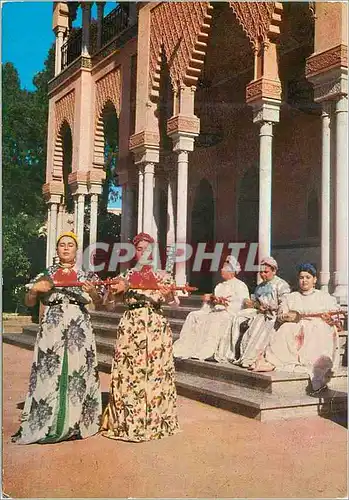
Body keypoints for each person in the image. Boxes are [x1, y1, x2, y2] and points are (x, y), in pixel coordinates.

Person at [12, 232, 103, 444]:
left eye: (70, 245)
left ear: (76, 250)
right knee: (49, 370)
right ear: (57, 250)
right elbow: (29, 302)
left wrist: (94, 293)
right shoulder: (46, 275)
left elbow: (101, 303)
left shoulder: (86, 276)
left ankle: (76, 421)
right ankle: (49, 422)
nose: (66, 248)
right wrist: (35, 291)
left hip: (78, 328)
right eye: (62, 245)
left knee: (77, 369)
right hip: (52, 326)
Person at [101, 232, 180, 442]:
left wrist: (168, 294)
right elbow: (109, 306)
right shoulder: (124, 277)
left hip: (155, 326)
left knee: (155, 373)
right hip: (132, 327)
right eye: (139, 248)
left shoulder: (163, 275)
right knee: (131, 373)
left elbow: (174, 303)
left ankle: (155, 422)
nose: (143, 252)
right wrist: (111, 292)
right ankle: (129, 422)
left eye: (147, 248)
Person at [253, 263, 341, 395]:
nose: (304, 280)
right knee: (286, 329)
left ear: (315, 280)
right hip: (296, 324)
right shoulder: (291, 297)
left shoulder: (324, 297)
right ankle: (287, 359)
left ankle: (313, 366)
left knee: (317, 330)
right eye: (301, 277)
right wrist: (285, 316)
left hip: (317, 325)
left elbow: (336, 315)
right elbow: (281, 315)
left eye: (308, 277)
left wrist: (329, 318)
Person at [173, 255, 250, 362]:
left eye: (224, 268)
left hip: (228, 313)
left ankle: (205, 351)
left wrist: (225, 304)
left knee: (215, 319)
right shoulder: (219, 286)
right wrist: (209, 300)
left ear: (231, 272)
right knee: (193, 315)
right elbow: (211, 304)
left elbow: (239, 304)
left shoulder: (240, 285)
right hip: (214, 310)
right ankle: (186, 346)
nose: (221, 270)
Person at [234, 256, 291, 369]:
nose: (263, 275)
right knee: (238, 317)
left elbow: (285, 302)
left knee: (260, 325)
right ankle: (237, 354)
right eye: (261, 272)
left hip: (274, 315)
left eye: (266, 272)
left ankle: (252, 358)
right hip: (261, 313)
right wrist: (258, 306)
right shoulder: (260, 286)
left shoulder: (281, 285)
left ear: (274, 271)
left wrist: (275, 310)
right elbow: (255, 302)